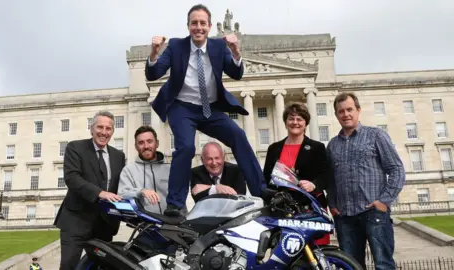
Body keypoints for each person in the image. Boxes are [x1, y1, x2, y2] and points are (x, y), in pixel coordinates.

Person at [145, 4, 265, 216]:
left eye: (202, 23)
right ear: (188, 26)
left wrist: (236, 52)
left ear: (209, 26)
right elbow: (154, 73)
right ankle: (175, 204)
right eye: (194, 23)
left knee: (238, 135)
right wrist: (154, 53)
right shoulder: (175, 46)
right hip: (182, 108)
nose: (198, 27)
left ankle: (261, 190)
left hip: (210, 109)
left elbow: (236, 73)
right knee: (186, 148)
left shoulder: (218, 47)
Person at [327, 92, 405, 269]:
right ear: (336, 115)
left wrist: (384, 201)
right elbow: (330, 179)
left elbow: (396, 169)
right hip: (345, 217)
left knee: (383, 265)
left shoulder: (376, 135)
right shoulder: (332, 145)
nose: (346, 114)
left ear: (358, 110)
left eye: (349, 109)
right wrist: (332, 204)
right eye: (341, 111)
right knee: (351, 266)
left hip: (374, 213)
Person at [53, 110, 126, 270]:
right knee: (69, 266)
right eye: (100, 127)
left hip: (104, 224)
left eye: (108, 129)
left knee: (100, 267)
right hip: (76, 220)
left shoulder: (118, 156)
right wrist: (100, 193)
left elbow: (122, 185)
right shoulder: (75, 147)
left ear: (112, 131)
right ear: (91, 128)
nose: (104, 132)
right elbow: (72, 178)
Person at [262, 102, 330, 245]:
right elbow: (266, 179)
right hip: (283, 210)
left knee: (316, 255)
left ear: (306, 123)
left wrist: (314, 185)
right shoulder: (274, 148)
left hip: (310, 208)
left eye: (299, 119)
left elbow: (327, 175)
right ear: (286, 122)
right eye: (291, 119)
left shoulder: (316, 147)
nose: (295, 122)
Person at [118, 125, 186, 215]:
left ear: (157, 143)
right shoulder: (129, 170)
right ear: (136, 146)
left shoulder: (171, 169)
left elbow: (181, 198)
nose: (146, 146)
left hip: (173, 224)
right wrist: (141, 191)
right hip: (146, 225)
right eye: (141, 143)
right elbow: (122, 194)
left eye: (149, 141)